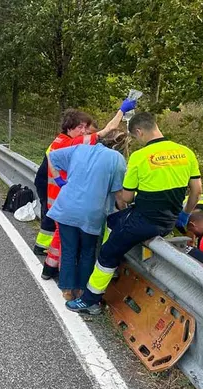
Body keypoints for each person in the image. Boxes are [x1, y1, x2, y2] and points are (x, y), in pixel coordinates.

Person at [67, 112, 202, 314]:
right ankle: (111, 268)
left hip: (143, 221)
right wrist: (185, 214)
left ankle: (90, 300)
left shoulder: (139, 157)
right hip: (170, 219)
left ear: (139, 131)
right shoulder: (185, 152)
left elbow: (127, 198)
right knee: (113, 220)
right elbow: (197, 190)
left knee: (107, 252)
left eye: (136, 137)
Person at [40, 100, 137, 279]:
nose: (85, 131)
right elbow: (106, 131)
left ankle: (51, 268)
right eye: (80, 127)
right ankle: (53, 271)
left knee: (60, 236)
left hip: (57, 195)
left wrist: (60, 179)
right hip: (63, 196)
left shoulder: (60, 140)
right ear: (70, 128)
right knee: (64, 238)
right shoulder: (74, 143)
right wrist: (121, 111)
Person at [47, 129, 127, 300]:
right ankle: (82, 289)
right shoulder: (117, 159)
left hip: (67, 206)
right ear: (120, 146)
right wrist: (124, 210)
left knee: (68, 249)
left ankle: (67, 289)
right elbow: (119, 193)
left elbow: (51, 156)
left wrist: (59, 180)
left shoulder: (80, 149)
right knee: (87, 251)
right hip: (92, 213)